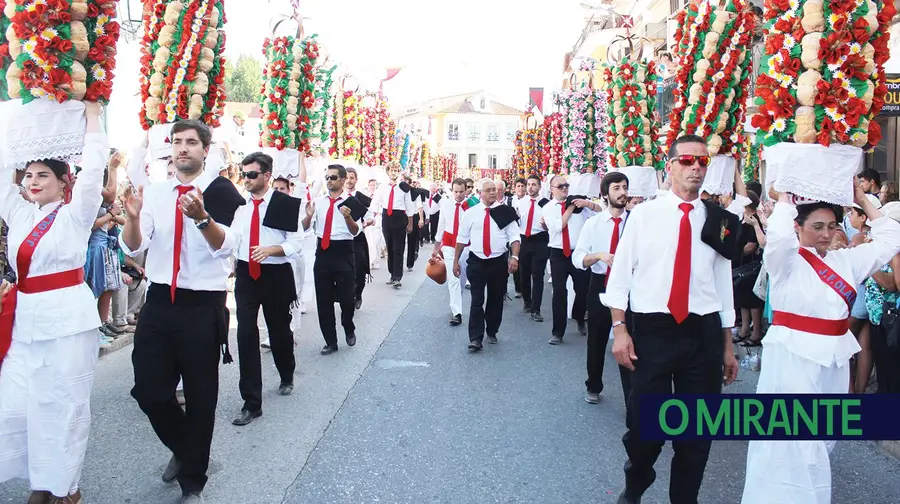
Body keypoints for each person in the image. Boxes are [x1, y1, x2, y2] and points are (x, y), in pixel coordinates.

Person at [741, 182, 900, 504]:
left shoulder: (847, 261)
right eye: (817, 227)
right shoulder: (785, 261)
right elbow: (780, 238)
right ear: (798, 227)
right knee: (794, 441)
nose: (826, 234)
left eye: (831, 226)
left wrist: (862, 201)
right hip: (792, 358)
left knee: (823, 440)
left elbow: (891, 239)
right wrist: (786, 197)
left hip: (835, 358)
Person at [602, 134, 740, 504]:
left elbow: (722, 284)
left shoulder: (719, 220)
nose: (695, 167)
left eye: (702, 162)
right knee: (646, 430)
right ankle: (636, 484)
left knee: (696, 434)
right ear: (671, 166)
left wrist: (727, 346)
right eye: (687, 161)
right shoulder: (644, 215)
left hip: (703, 333)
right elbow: (621, 277)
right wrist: (620, 330)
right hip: (653, 331)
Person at [121, 120, 245, 504]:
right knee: (149, 391)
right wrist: (132, 218)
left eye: (191, 142)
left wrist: (201, 218)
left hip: (201, 305)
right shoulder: (157, 192)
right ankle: (183, 447)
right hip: (159, 302)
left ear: (206, 150)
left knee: (201, 396)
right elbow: (133, 248)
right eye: (177, 142)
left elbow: (227, 247)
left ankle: (193, 482)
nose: (182, 148)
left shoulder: (223, 192)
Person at [0, 101, 106, 504]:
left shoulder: (75, 214)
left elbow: (93, 171)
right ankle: (37, 479)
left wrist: (93, 120)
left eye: (43, 174)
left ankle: (63, 487)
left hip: (67, 320)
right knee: (15, 406)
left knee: (63, 407)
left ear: (64, 182)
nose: (33, 180)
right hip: (25, 318)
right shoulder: (19, 212)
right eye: (28, 174)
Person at [230, 153, 303, 427]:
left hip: (275, 273)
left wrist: (273, 249)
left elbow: (296, 242)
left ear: (266, 176)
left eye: (251, 174)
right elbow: (233, 239)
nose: (246, 179)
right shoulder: (241, 208)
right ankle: (251, 402)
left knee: (279, 331)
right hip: (247, 275)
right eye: (243, 173)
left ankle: (287, 374)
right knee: (246, 334)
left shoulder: (284, 204)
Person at [573, 171, 630, 405]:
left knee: (630, 339)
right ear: (605, 194)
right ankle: (593, 385)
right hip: (600, 286)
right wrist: (598, 256)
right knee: (596, 339)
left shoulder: (636, 221)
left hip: (629, 289)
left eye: (625, 187)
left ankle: (632, 395)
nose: (623, 192)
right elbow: (578, 258)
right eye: (617, 188)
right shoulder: (593, 224)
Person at [302, 164, 364, 355]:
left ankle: (348, 326)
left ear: (343, 180)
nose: (329, 181)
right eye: (327, 177)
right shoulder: (319, 202)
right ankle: (330, 341)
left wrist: (348, 219)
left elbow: (355, 231)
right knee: (324, 300)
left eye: (333, 177)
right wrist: (308, 216)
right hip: (323, 252)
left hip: (343, 250)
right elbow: (304, 227)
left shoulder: (351, 203)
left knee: (347, 298)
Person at [453, 179, 520, 351]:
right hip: (476, 261)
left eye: (494, 190)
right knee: (477, 300)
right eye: (488, 190)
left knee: (495, 299)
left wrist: (515, 257)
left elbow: (514, 237)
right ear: (480, 192)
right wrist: (455, 262)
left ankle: (492, 329)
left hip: (498, 262)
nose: (492, 193)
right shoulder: (471, 213)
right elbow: (461, 239)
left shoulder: (505, 212)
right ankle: (475, 338)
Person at [542, 175, 601, 344]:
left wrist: (587, 203)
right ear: (552, 189)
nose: (564, 188)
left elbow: (600, 212)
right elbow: (557, 227)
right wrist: (569, 208)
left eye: (566, 185)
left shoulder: (579, 203)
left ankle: (579, 316)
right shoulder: (548, 208)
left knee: (583, 289)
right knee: (559, 292)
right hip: (558, 253)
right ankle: (558, 332)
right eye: (560, 186)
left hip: (578, 252)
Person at [432, 178, 469, 325]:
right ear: (452, 191)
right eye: (456, 191)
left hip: (466, 244)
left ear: (466, 190)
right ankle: (457, 312)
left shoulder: (472, 205)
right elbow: (441, 225)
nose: (459, 195)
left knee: (462, 277)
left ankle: (457, 299)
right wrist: (436, 248)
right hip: (448, 243)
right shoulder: (446, 204)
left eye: (461, 191)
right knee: (453, 278)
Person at [372, 162, 414, 288]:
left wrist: (410, 223)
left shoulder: (404, 187)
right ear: (388, 172)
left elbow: (410, 206)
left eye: (396, 170)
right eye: (392, 170)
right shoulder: (382, 187)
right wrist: (370, 217)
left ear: (399, 172)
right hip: (386, 217)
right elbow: (375, 203)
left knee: (398, 248)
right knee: (389, 247)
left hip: (399, 217)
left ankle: (397, 276)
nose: (394, 173)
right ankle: (392, 273)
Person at [514, 174, 550, 322]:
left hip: (539, 239)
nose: (530, 187)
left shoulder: (546, 204)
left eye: (534, 184)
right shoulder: (520, 202)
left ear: (539, 187)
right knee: (524, 272)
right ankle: (527, 302)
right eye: (528, 184)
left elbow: (552, 224)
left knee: (538, 274)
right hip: (523, 239)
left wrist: (546, 226)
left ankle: (536, 309)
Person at [344, 167, 375, 309]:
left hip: (358, 237)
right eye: (347, 178)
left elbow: (370, 217)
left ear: (356, 179)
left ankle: (358, 293)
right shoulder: (339, 197)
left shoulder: (362, 198)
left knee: (359, 267)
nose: (349, 181)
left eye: (352, 178)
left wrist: (365, 223)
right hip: (342, 238)